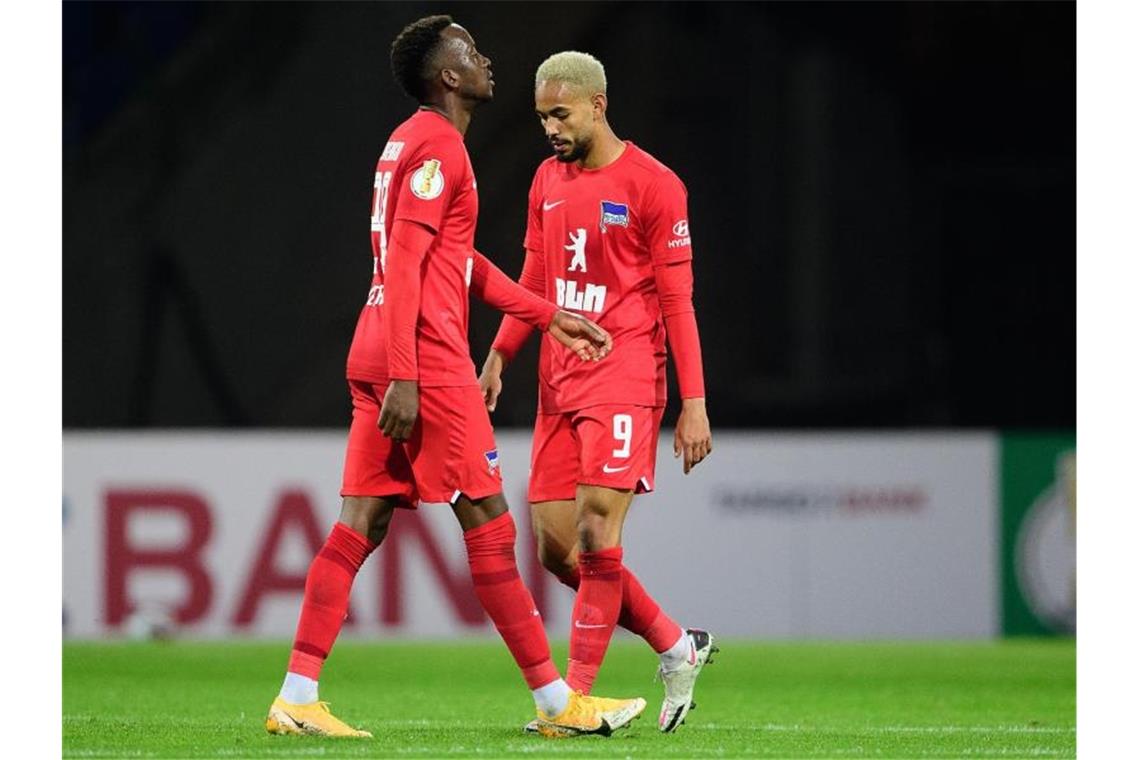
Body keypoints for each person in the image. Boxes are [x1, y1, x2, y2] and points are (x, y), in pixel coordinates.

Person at [266, 19, 646, 740]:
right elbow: (408, 263)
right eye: (471, 52)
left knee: (358, 526)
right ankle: (556, 700)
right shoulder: (441, 147)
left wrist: (547, 315)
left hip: (374, 346)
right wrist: (411, 377)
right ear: (447, 76)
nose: (486, 60)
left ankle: (297, 693)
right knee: (491, 526)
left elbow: (459, 263)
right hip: (425, 360)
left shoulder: (407, 141)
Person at [478, 50, 717, 734]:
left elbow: (678, 302)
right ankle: (676, 644)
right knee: (558, 551)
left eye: (561, 113)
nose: (550, 127)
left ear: (597, 106)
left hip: (626, 373)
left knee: (594, 527)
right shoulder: (545, 181)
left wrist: (693, 402)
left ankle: (572, 701)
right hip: (558, 380)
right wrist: (499, 354)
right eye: (541, 116)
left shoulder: (655, 185)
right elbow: (534, 274)